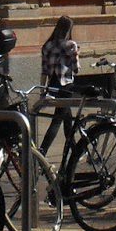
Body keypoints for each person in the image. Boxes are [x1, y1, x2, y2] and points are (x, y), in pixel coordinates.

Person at [39, 15, 80, 152]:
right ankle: (42, 151)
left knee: (67, 118)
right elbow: (76, 69)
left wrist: (43, 91)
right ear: (69, 29)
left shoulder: (47, 46)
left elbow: (44, 71)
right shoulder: (71, 45)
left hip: (52, 85)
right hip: (66, 85)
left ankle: (73, 148)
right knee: (57, 120)